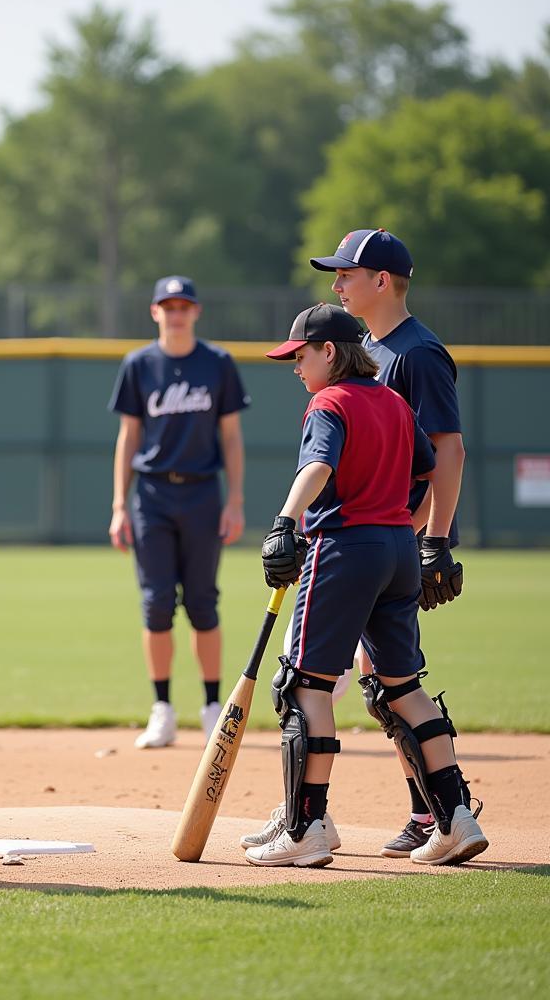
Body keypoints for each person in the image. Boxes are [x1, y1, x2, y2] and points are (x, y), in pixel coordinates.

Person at [241, 229, 468, 858]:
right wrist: (406, 529)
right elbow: (422, 462)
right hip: (392, 542)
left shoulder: (402, 363)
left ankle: (307, 825)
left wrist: (437, 539)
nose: (295, 369)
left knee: (304, 687)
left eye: (300, 356)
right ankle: (451, 816)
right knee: (399, 685)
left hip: (348, 547)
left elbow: (445, 453)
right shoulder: (382, 383)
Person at [108, 276, 248, 748]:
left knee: (204, 601)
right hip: (151, 495)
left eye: (183, 305)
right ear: (154, 312)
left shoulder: (218, 363)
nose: (176, 313)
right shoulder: (138, 365)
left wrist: (235, 500)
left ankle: (212, 708)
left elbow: (230, 436)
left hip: (203, 493)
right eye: (167, 306)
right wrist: (118, 505)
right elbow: (128, 437)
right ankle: (162, 709)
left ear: (196, 311)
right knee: (157, 604)